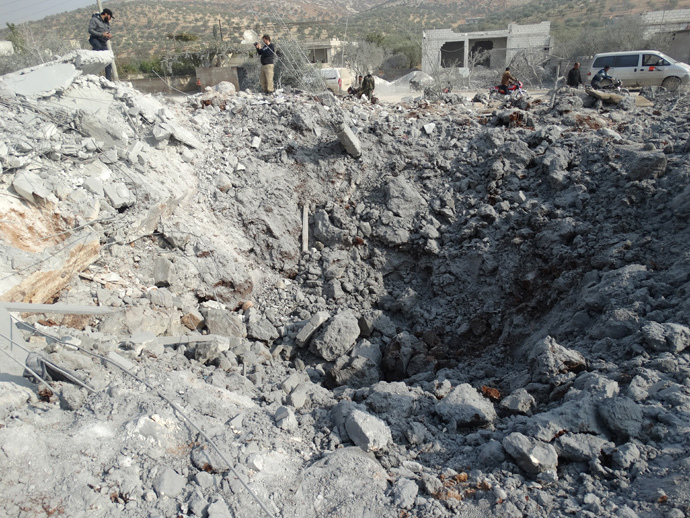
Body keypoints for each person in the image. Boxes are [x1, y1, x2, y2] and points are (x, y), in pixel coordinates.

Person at [88, 8, 114, 81]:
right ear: (105, 14)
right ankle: (90, 58)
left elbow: (107, 31)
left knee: (108, 61)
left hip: (103, 42)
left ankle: (109, 80)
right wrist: (101, 34)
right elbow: (90, 30)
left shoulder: (106, 23)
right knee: (98, 47)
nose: (110, 18)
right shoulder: (94, 20)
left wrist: (109, 35)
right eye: (109, 16)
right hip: (95, 39)